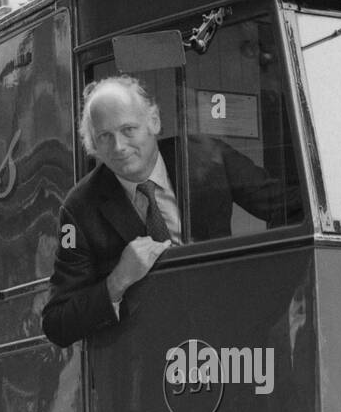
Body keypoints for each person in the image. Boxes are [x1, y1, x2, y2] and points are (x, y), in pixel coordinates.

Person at [41, 75, 293, 348]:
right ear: (93, 145)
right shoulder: (79, 208)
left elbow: (289, 207)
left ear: (154, 122)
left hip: (234, 347)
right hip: (148, 363)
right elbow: (57, 323)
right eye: (104, 136)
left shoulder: (207, 157)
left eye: (128, 130)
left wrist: (268, 294)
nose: (119, 147)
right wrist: (118, 280)